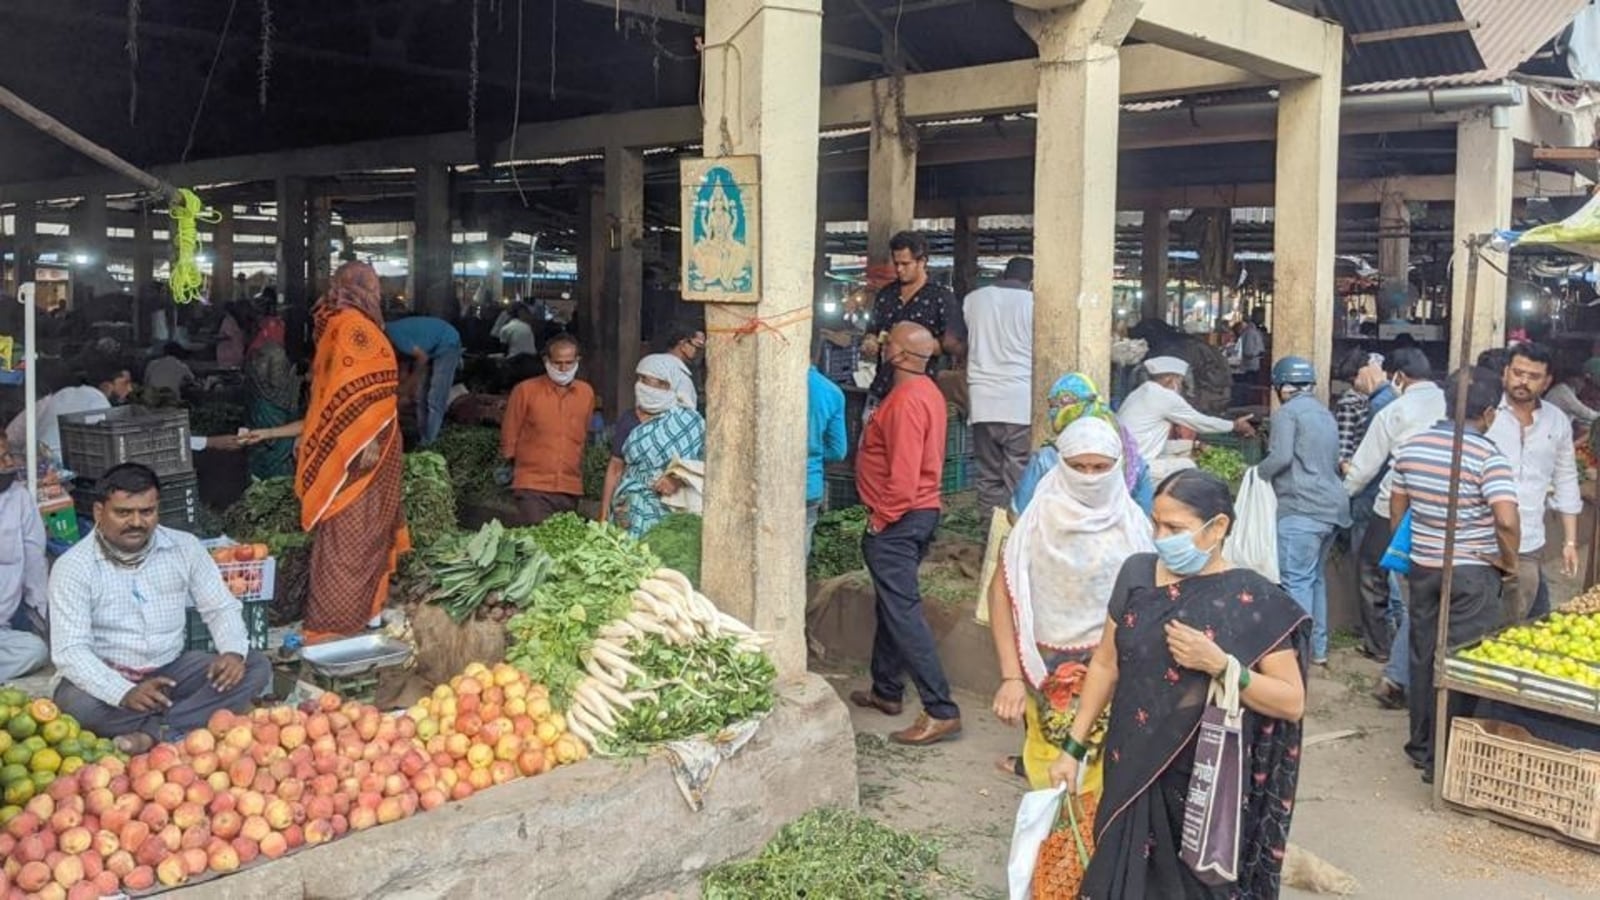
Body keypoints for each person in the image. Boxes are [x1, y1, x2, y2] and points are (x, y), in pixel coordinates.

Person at [1047, 469, 1309, 898]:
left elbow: (1291, 701)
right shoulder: (1136, 575)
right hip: (1129, 765)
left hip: (1200, 785)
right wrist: (1072, 750)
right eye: (1156, 523)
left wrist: (1224, 666)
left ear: (1218, 527)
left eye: (1175, 527)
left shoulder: (1253, 599)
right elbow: (1105, 665)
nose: (1160, 536)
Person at [239, 262, 409, 642]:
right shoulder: (353, 328)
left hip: (362, 447)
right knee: (353, 536)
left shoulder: (343, 327)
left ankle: (366, 612)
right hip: (362, 450)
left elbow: (352, 394)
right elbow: (356, 394)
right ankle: (335, 622)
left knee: (360, 534)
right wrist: (360, 440)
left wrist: (358, 439)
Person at [48, 464, 271, 753]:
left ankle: (154, 732)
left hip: (171, 670)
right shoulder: (73, 568)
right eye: (123, 513)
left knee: (254, 666)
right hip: (110, 672)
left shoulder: (184, 548)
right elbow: (71, 651)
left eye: (147, 511)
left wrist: (231, 652)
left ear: (157, 509)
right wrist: (123, 692)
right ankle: (183, 723)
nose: (136, 522)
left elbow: (220, 607)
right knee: (75, 704)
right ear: (99, 512)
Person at [988, 417, 1153, 789]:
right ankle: (1056, 847)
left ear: (1117, 468)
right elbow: (1001, 591)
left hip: (1114, 669)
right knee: (1050, 775)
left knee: (1108, 776)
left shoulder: (1134, 527)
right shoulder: (1035, 523)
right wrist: (1011, 675)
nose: (1089, 477)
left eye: (1100, 468)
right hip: (1046, 671)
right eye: (1078, 467)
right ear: (1062, 465)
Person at [1390, 367, 1519, 783]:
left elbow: (1398, 507)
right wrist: (1510, 561)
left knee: (1424, 654)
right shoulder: (1488, 455)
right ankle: (1445, 756)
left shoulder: (1411, 447)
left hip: (1424, 567)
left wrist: (1410, 548)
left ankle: (1421, 744)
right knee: (1462, 660)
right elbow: (1506, 520)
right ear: (1488, 411)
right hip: (1472, 571)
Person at [849, 322, 960, 746]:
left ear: (900, 355)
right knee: (892, 605)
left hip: (900, 517)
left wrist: (883, 517)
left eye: (888, 340)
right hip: (916, 512)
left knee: (903, 611)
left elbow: (904, 472)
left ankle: (940, 708)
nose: (881, 343)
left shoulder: (907, 401)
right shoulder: (926, 392)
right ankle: (886, 689)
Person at [1343, 347, 1442, 667]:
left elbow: (1364, 466)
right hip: (1441, 504)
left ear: (1398, 376)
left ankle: (1379, 644)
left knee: (1372, 570)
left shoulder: (1395, 411)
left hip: (1394, 504)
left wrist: (1343, 494)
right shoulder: (1448, 401)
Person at [1256, 356, 1351, 665]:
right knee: (1314, 579)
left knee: (1296, 581)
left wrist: (1256, 474)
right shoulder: (1325, 413)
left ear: (1282, 387)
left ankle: (1296, 655)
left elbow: (1281, 457)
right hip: (1333, 507)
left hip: (1302, 508)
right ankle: (1317, 650)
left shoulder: (1287, 413)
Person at [1486, 343, 1582, 622]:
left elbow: (1566, 480)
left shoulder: (1557, 421)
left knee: (1514, 622)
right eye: (1517, 372)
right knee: (1479, 619)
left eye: (1533, 376)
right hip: (1482, 538)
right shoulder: (1487, 414)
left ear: (1548, 381)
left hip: (1528, 541)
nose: (1523, 381)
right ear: (1505, 372)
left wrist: (1570, 541)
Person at [1012, 372, 1152, 515]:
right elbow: (1144, 515)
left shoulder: (1048, 457)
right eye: (1051, 405)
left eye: (1057, 405)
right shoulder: (1132, 459)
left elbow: (1018, 511)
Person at [962, 256, 1034, 524]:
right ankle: (1015, 541)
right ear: (1031, 281)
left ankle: (989, 538)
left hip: (982, 402)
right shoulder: (1033, 303)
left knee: (988, 476)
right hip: (1019, 403)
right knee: (1019, 478)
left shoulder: (974, 299)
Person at [607, 355, 706, 539]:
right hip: (629, 505)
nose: (649, 388)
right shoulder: (628, 420)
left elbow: (704, 465)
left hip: (672, 510)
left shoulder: (689, 423)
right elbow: (615, 468)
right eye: (644, 380)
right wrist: (603, 515)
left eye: (659, 383)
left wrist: (677, 479)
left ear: (672, 385)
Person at [501, 335, 595, 526]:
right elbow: (509, 434)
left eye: (569, 363)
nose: (563, 369)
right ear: (546, 361)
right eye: (558, 363)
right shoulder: (525, 391)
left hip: (570, 486)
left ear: (578, 361)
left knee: (559, 547)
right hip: (532, 485)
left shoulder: (586, 393)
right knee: (539, 542)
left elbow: (583, 434)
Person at [859, 231, 963, 403]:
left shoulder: (941, 297)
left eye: (905, 264)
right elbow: (873, 331)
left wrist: (914, 345)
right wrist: (870, 341)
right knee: (870, 427)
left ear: (922, 262)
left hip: (919, 394)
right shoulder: (886, 295)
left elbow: (954, 344)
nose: (899, 269)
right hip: (881, 391)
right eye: (896, 263)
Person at [1116, 356, 1255, 480]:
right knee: (1189, 465)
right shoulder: (1165, 396)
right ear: (1170, 379)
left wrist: (1194, 446)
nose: (1181, 386)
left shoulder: (1141, 392)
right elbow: (1201, 423)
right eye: (1180, 381)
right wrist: (1234, 425)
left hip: (1127, 458)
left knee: (1184, 450)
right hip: (1138, 464)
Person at [5, 357, 133, 460]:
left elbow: (11, 435)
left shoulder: (54, 398)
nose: (130, 389)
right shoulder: (98, 402)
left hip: (36, 467)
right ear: (107, 386)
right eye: (125, 383)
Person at [0, 438, 48, 680]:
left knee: (34, 650)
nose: (8, 463)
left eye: (8, 455)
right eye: (1, 458)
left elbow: (34, 561)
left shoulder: (19, 498)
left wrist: (44, 615)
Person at [242, 299, 301, 480]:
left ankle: (256, 479)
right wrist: (296, 378)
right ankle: (275, 481)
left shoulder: (254, 351)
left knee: (259, 444)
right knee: (277, 448)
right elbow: (278, 384)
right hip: (275, 410)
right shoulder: (276, 352)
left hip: (258, 407)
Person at [384, 314, 464, 445]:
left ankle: (429, 443)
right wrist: (401, 393)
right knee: (420, 397)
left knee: (435, 398)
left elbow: (422, 358)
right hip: (429, 348)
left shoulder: (394, 336)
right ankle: (422, 438)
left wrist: (408, 385)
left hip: (447, 342)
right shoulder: (393, 343)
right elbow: (403, 373)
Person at [805, 362, 848, 559]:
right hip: (808, 484)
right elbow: (838, 451)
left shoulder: (766, 383)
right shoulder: (831, 392)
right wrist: (812, 452)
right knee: (798, 552)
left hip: (766, 484)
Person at [1544, 354, 1600, 431]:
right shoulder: (1562, 391)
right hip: (1551, 431)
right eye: (1582, 381)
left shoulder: (1570, 391)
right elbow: (1584, 412)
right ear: (1572, 379)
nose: (1583, 385)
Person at [663, 324, 705, 411]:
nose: (698, 352)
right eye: (697, 346)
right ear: (683, 344)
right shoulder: (665, 367)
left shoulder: (684, 369)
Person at [216, 301, 249, 368]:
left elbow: (227, 335)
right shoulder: (238, 320)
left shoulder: (228, 320)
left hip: (228, 352)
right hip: (238, 350)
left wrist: (216, 338)